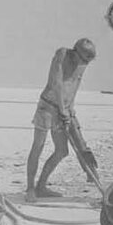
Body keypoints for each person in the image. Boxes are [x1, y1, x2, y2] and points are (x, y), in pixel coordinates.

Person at [25, 37, 98, 202]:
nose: (85, 64)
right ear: (76, 52)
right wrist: (62, 108)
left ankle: (41, 186)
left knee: (62, 151)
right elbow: (57, 83)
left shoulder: (83, 63)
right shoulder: (62, 55)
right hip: (47, 108)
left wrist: (70, 108)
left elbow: (74, 85)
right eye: (84, 59)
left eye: (88, 61)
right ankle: (30, 188)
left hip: (63, 111)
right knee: (38, 146)